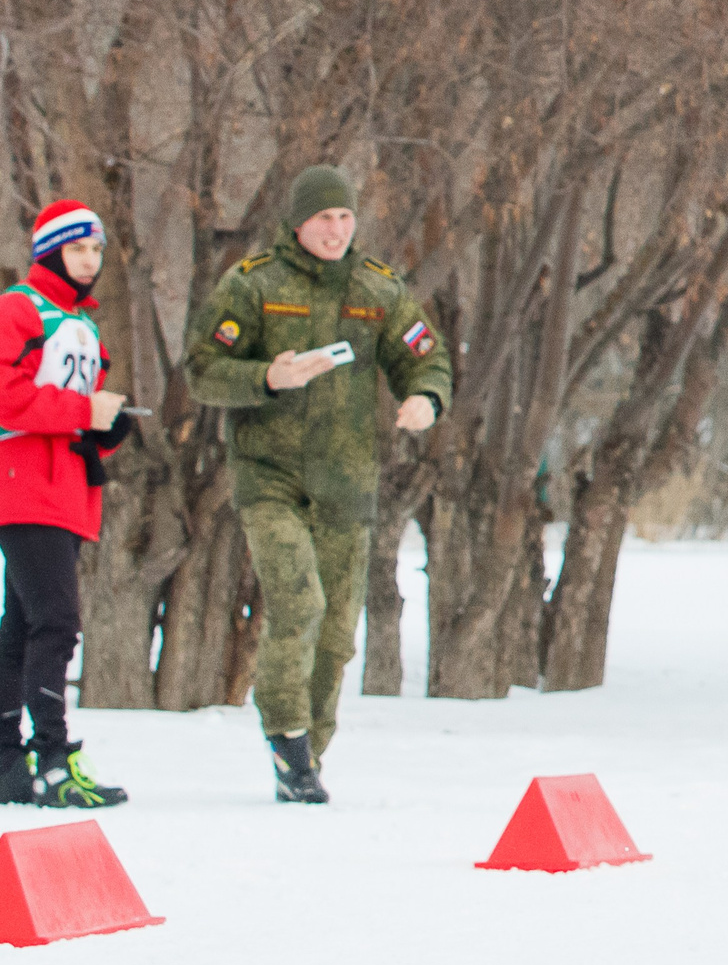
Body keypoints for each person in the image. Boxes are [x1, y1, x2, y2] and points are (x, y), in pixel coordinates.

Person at [185, 166, 449, 803]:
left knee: (335, 635)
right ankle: (287, 736)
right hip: (270, 478)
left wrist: (426, 399)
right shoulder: (254, 285)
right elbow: (202, 370)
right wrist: (265, 378)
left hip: (345, 482)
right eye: (324, 218)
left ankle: (306, 756)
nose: (336, 229)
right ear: (297, 221)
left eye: (345, 217)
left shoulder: (377, 288)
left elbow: (425, 356)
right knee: (298, 604)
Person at [0, 200, 135, 807]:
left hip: (65, 487)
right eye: (77, 249)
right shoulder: (19, 308)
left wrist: (106, 425)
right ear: (49, 252)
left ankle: (8, 760)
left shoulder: (81, 321)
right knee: (56, 622)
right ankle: (54, 761)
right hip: (23, 482)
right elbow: (7, 395)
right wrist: (84, 412)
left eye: (96, 250)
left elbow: (76, 403)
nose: (88, 260)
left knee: (24, 626)